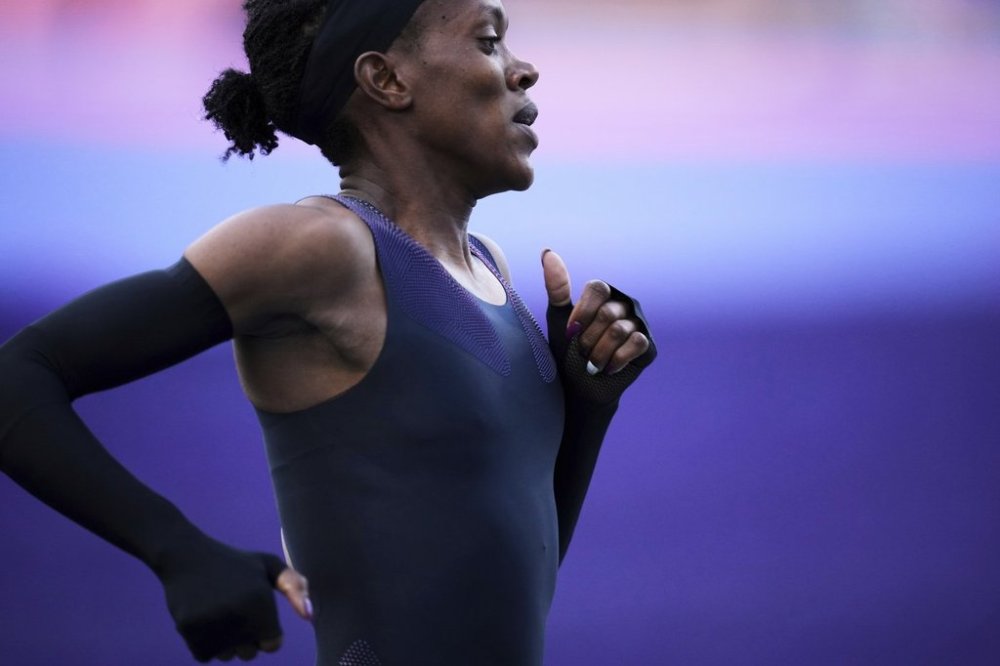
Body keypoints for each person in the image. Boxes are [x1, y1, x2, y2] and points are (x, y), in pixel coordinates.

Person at [0, 0, 656, 663]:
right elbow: (18, 376)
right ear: (386, 79)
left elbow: (509, 572)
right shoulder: (319, 247)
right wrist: (177, 548)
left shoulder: (490, 269)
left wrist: (589, 401)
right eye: (489, 42)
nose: (524, 70)